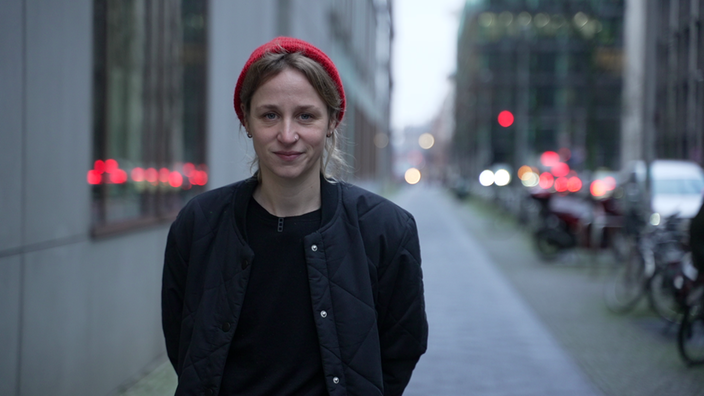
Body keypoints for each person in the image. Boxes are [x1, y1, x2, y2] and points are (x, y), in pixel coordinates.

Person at [161, 37, 428, 396]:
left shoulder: (385, 230)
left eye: (305, 116)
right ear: (247, 121)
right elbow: (184, 344)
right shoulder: (200, 222)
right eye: (270, 115)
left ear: (332, 121)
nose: (287, 135)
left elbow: (401, 351)